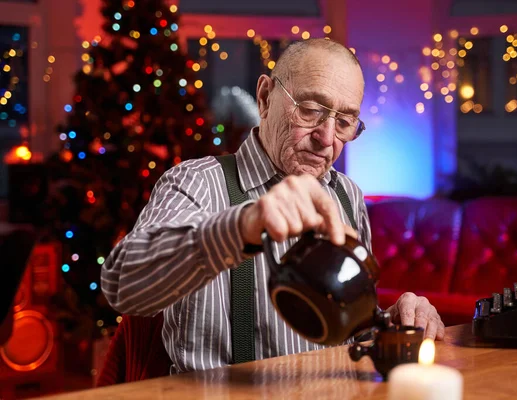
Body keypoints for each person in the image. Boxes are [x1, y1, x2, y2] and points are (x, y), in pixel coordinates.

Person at [101, 38, 445, 373]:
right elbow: (121, 287)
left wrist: (392, 320)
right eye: (310, 110)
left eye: (343, 122)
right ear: (265, 98)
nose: (326, 139)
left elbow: (350, 333)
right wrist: (241, 227)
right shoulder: (197, 182)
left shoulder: (347, 195)